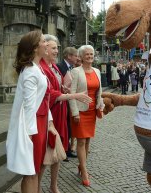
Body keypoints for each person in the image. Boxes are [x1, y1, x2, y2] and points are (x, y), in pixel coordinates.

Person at [39, 35, 91, 193]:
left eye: (57, 48)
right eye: (54, 48)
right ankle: (37, 186)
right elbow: (50, 94)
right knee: (47, 153)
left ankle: (53, 185)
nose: (57, 51)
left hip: (59, 113)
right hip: (50, 114)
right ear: (45, 48)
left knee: (59, 152)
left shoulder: (53, 67)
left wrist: (64, 89)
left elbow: (57, 87)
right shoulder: (42, 67)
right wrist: (73, 95)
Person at [6, 30, 55, 193]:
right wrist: (29, 136)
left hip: (38, 123)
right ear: (35, 48)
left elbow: (43, 99)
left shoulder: (35, 68)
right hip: (32, 127)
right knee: (31, 171)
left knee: (35, 169)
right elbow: (28, 106)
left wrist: (48, 121)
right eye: (43, 41)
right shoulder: (30, 71)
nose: (46, 43)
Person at [68, 45, 104, 187]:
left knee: (88, 141)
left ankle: (81, 165)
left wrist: (100, 106)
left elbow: (98, 92)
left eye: (91, 54)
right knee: (81, 142)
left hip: (91, 111)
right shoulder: (76, 72)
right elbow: (71, 94)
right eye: (87, 54)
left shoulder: (97, 71)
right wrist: (75, 113)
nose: (89, 56)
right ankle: (84, 170)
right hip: (80, 111)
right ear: (81, 57)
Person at [56, 46, 78, 158]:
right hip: (62, 100)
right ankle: (64, 149)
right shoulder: (60, 66)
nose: (77, 58)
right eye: (75, 55)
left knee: (68, 125)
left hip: (68, 99)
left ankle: (67, 148)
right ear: (69, 56)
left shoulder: (70, 67)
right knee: (65, 125)